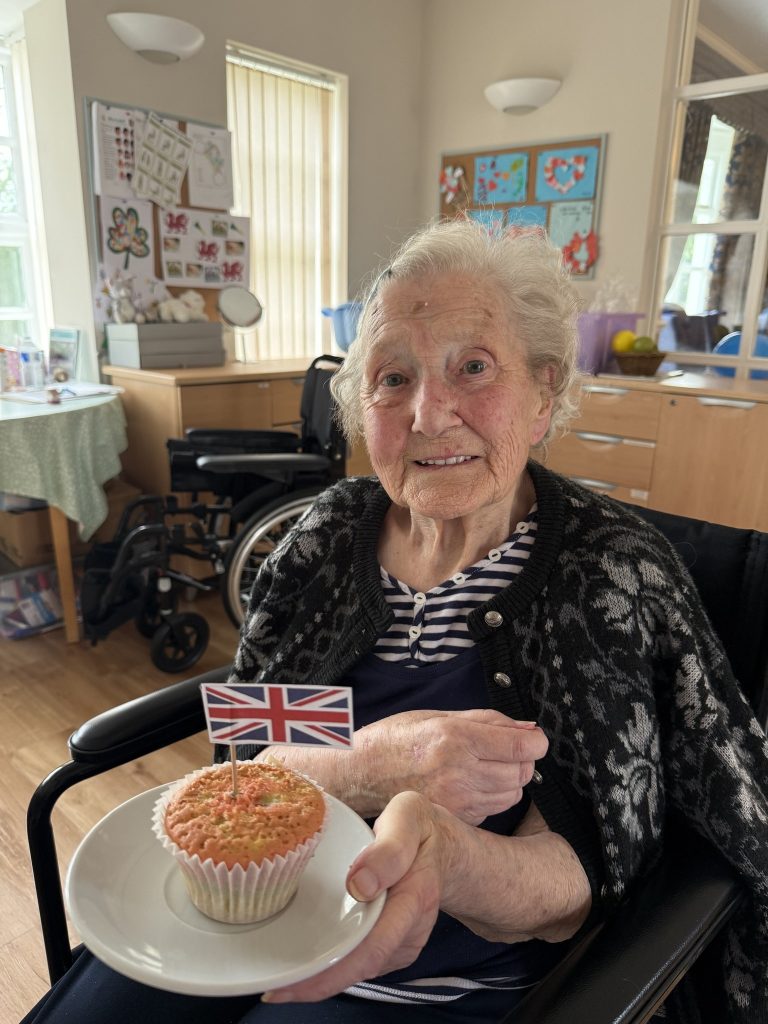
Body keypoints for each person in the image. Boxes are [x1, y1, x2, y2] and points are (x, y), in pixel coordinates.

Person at [23, 220, 768, 1024]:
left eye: (473, 367)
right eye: (391, 378)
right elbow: (247, 748)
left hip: (432, 984)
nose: (429, 412)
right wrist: (366, 767)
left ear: (543, 393)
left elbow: (588, 875)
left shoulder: (609, 573)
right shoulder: (326, 538)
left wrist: (452, 858)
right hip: (246, 908)